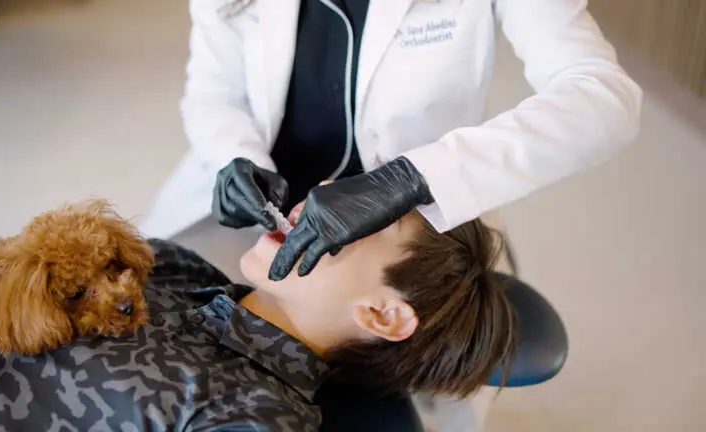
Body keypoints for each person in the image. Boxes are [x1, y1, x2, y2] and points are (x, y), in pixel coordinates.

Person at [141, 0, 642, 281]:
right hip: (256, 217)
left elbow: (603, 98)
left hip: (412, 220)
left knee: (418, 390)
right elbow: (213, 92)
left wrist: (415, 177)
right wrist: (234, 156)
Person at [0, 204, 516, 430]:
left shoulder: (255, 417)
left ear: (382, 315)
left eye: (364, 223)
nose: (317, 206)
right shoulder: (171, 266)